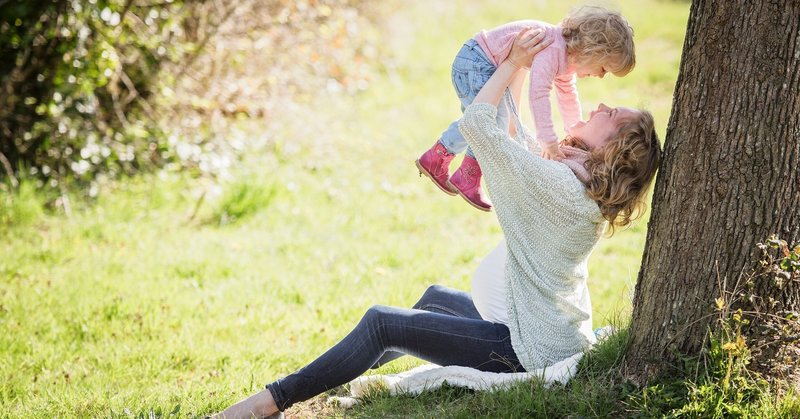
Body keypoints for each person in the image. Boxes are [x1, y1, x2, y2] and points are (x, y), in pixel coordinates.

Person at [214, 28, 661, 419]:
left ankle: (269, 402)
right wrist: (524, 65)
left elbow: (480, 125)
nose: (601, 103)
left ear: (613, 150)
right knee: (433, 300)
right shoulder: (573, 180)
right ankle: (326, 376)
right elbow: (516, 138)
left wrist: (508, 65)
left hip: (523, 353)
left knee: (382, 324)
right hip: (536, 331)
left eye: (613, 115)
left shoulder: (559, 188)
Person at [416, 6, 636, 212]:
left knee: (486, 119)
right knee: (488, 120)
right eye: (604, 69)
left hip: (478, 61)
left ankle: (438, 158)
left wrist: (574, 129)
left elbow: (568, 96)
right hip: (476, 62)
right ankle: (466, 174)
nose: (599, 76)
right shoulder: (554, 48)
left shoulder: (566, 58)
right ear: (593, 50)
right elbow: (538, 94)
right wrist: (548, 140)